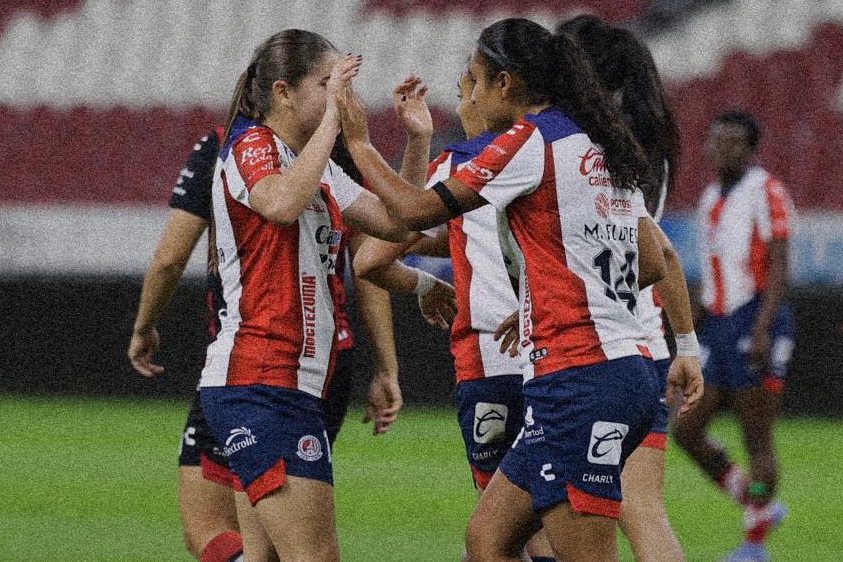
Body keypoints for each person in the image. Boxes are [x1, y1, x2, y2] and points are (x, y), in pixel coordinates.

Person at [334, 18, 702, 562]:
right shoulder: (599, 142)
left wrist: (360, 143)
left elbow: (411, 211)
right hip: (620, 368)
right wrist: (547, 296)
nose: (470, 96)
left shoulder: (530, 140)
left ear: (504, 83)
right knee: (488, 539)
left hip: (579, 380)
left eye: (475, 80)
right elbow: (651, 259)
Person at [127, 123, 403, 560]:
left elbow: (170, 258)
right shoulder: (336, 151)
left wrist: (144, 326)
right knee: (272, 542)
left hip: (253, 366)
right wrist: (386, 366)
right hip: (328, 362)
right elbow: (369, 265)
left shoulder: (225, 145)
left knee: (213, 530)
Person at [196, 29, 409, 562]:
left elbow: (397, 224)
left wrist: (418, 139)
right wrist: (337, 119)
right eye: (326, 84)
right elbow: (280, 203)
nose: (339, 94)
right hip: (260, 380)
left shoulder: (318, 164)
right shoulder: (251, 145)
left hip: (294, 385)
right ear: (283, 92)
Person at [353, 70, 556, 561]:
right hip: (560, 360)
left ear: (487, 97)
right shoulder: (554, 156)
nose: (463, 104)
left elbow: (369, 260)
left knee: (499, 535)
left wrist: (427, 285)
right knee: (550, 520)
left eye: (465, 92)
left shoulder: (456, 167)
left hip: (490, 364)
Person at [557, 14, 695, 562]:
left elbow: (648, 253)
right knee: (643, 510)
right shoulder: (647, 143)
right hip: (646, 340)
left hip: (595, 342)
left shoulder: (589, 148)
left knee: (543, 514)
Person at [671, 110, 795, 562]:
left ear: (751, 149)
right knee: (686, 428)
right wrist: (687, 333)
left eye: (734, 142)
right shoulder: (709, 199)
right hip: (719, 322)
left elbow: (779, 264)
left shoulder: (767, 190)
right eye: (717, 140)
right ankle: (756, 502)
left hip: (757, 318)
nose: (723, 149)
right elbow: (711, 275)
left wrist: (762, 328)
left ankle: (754, 545)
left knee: (755, 435)